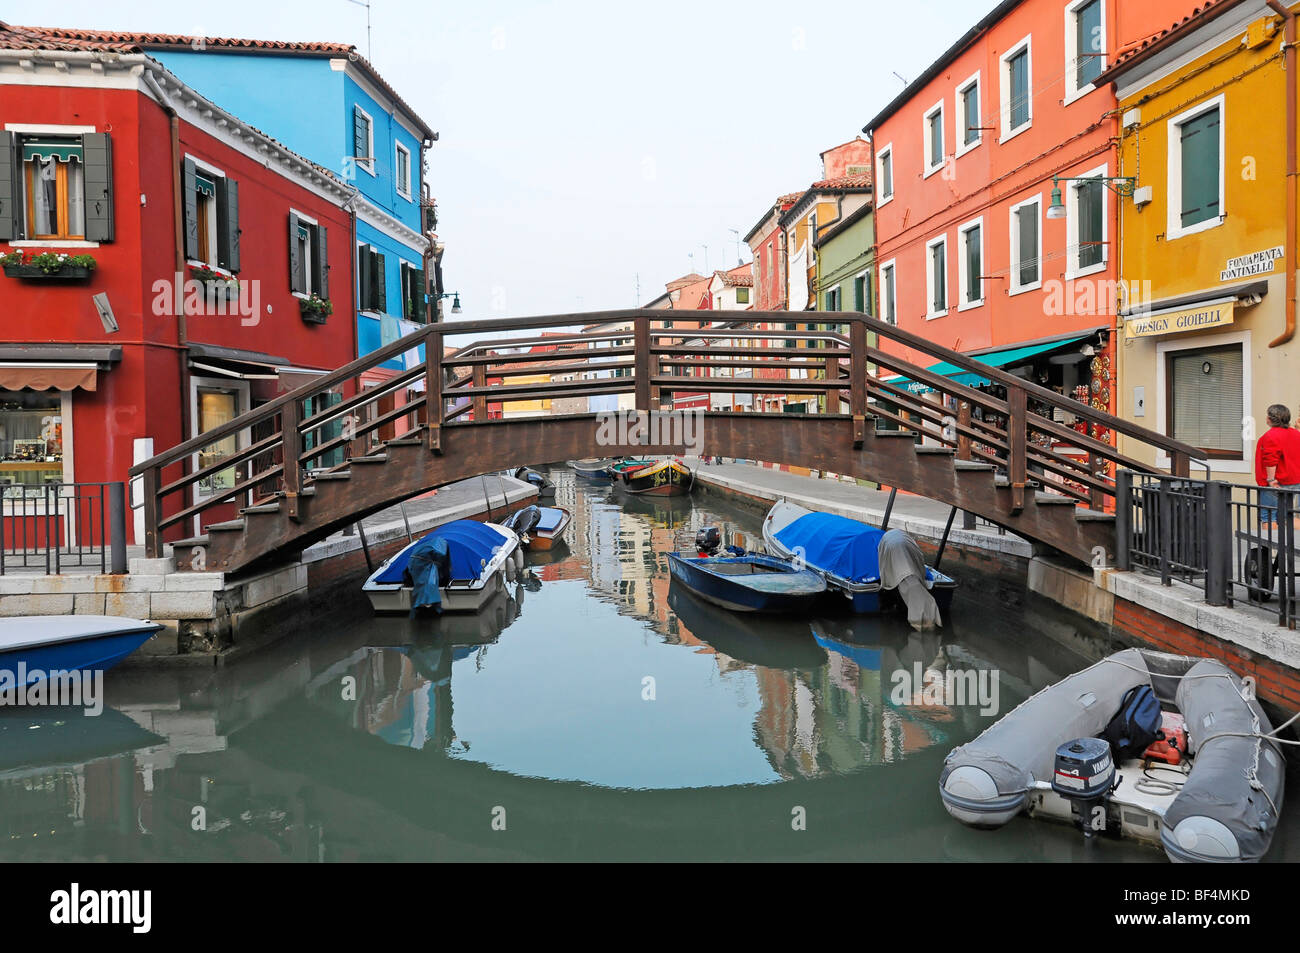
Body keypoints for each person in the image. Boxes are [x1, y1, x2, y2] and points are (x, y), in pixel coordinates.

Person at [1255, 404, 1300, 523]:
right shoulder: (1296, 434)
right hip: (1295, 482)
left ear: (1270, 419)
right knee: (1289, 517)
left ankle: (1268, 542)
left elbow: (1271, 460)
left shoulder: (1271, 435)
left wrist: (1270, 480)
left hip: (1277, 483)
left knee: (1269, 518)